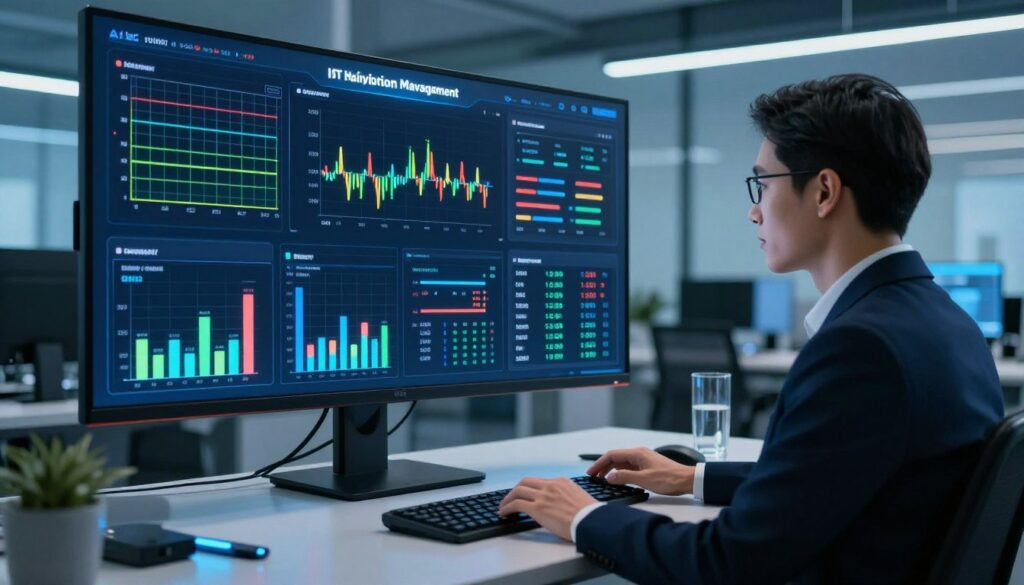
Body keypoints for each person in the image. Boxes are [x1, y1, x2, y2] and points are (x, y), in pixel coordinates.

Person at [497, 73, 1004, 584]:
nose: (753, 210)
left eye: (762, 183)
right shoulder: (945, 322)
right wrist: (692, 477)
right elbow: (835, 479)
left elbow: (727, 563)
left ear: (824, 191)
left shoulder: (860, 347)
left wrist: (584, 516)